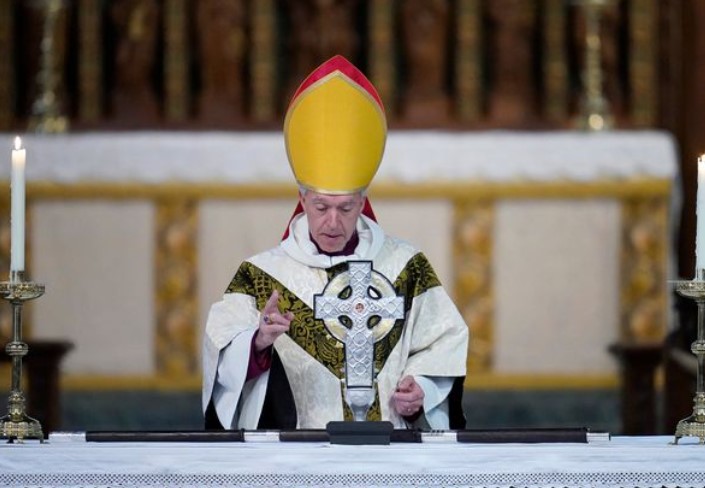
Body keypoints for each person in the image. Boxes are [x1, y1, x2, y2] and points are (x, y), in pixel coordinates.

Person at [202, 55, 469, 430]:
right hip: (296, 455)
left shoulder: (406, 267)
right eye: (321, 206)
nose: (332, 221)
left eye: (345, 207)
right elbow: (221, 348)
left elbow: (444, 341)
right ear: (302, 199)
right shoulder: (261, 276)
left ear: (362, 202)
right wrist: (258, 342)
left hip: (388, 451)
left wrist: (422, 386)